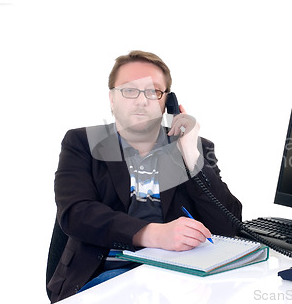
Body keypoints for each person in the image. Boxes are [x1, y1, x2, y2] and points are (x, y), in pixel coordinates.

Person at [47, 50, 243, 302]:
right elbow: (76, 214)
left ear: (167, 102)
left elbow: (229, 227)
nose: (141, 101)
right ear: (112, 99)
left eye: (153, 92)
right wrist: (154, 234)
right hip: (103, 275)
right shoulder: (82, 142)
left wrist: (191, 157)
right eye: (129, 90)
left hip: (179, 278)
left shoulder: (194, 147)